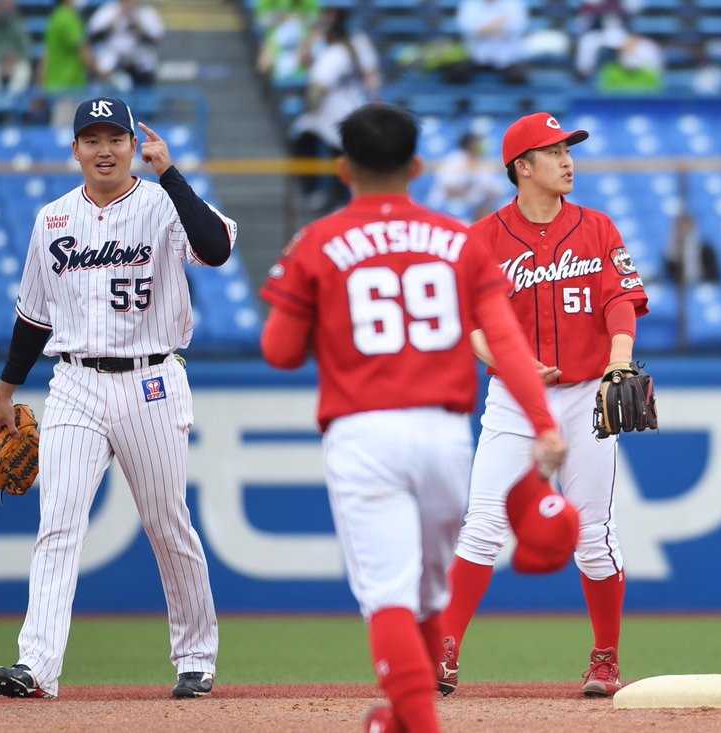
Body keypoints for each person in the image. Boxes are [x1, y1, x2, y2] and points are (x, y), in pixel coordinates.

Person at [260, 103, 566, 733]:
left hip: (364, 431)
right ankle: (401, 720)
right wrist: (543, 422)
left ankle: (418, 724)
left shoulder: (318, 240)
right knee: (430, 598)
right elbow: (505, 339)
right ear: (418, 166)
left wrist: (332, 324)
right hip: (443, 432)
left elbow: (280, 351)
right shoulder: (458, 238)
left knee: (390, 599)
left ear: (343, 168)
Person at [0, 96, 237, 701]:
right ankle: (37, 666)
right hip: (73, 382)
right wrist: (6, 391)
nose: (104, 150)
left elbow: (218, 248)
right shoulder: (51, 220)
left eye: (115, 139)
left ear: (133, 145)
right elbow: (33, 319)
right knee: (59, 524)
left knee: (165, 521)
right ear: (74, 149)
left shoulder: (164, 204)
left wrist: (172, 175)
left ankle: (197, 656)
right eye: (92, 139)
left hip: (151, 380)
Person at [439, 112, 649, 698]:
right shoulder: (480, 239)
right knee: (481, 526)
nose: (567, 161)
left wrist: (620, 356)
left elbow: (620, 301)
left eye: (569, 150)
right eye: (554, 151)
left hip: (587, 394)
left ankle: (605, 658)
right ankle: (445, 652)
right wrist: (507, 362)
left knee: (594, 533)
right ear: (521, 168)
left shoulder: (598, 226)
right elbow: (473, 324)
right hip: (513, 400)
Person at [289, 7, 380, 211]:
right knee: (305, 141)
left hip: (343, 106)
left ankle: (339, 199)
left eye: (331, 18)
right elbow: (302, 62)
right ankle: (314, 192)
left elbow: (370, 73)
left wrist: (375, 99)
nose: (326, 21)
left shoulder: (352, 44)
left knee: (339, 154)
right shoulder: (322, 42)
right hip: (326, 110)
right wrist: (312, 37)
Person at [425, 131, 506, 223]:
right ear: (470, 145)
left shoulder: (483, 162)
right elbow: (448, 187)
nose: (481, 145)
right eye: (478, 142)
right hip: (446, 205)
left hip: (474, 208)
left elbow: (493, 190)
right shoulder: (454, 160)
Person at [447, 0, 529, 85]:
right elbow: (467, 28)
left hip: (507, 57)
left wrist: (482, 29)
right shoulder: (470, 3)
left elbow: (516, 27)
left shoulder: (513, 3)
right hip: (475, 55)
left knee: (519, 76)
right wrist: (499, 23)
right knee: (457, 73)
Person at [88, 0, 164, 88]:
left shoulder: (145, 12)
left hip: (140, 63)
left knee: (143, 91)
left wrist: (138, 26)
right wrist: (113, 22)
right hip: (112, 62)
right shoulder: (108, 10)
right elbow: (93, 36)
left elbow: (156, 38)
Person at [39, 0, 101, 93]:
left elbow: (47, 54)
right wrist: (101, 73)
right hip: (69, 86)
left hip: (53, 84)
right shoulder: (69, 19)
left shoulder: (56, 16)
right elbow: (83, 51)